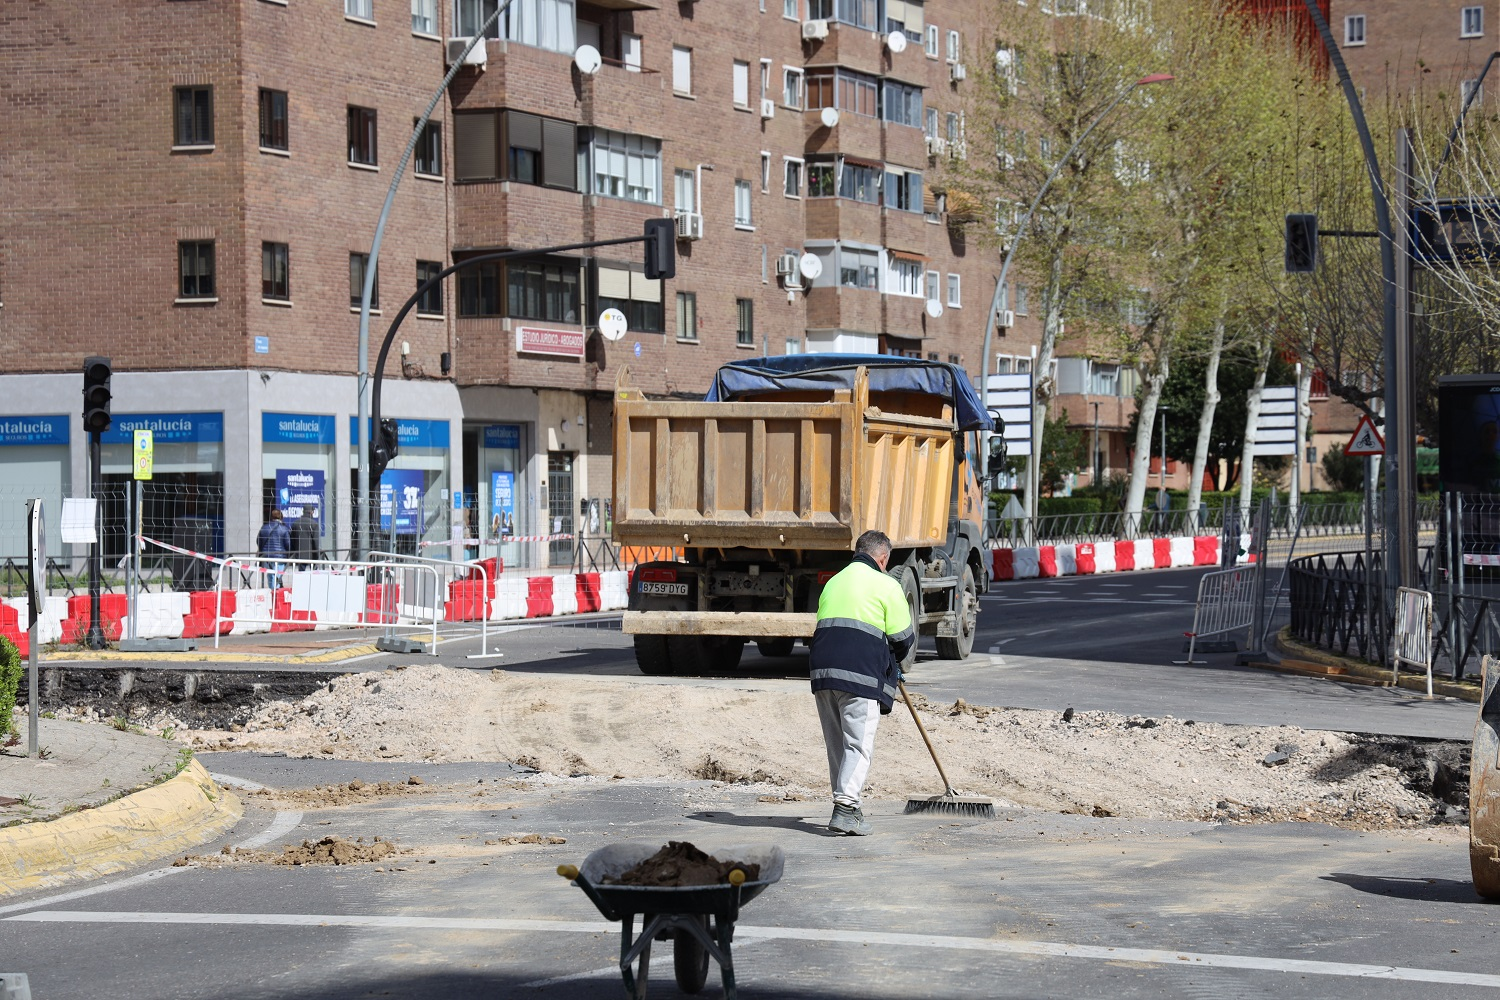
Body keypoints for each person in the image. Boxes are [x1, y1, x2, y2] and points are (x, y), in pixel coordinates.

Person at [809, 529, 914, 836]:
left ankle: (850, 808)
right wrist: (893, 663)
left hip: (822, 673)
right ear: (883, 558)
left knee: (838, 746)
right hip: (860, 675)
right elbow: (903, 639)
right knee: (858, 745)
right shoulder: (886, 583)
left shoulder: (834, 581)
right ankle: (844, 808)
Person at [256, 509, 291, 587]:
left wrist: (263, 550)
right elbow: (288, 544)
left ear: (271, 517)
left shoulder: (264, 527)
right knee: (277, 577)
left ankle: (272, 592)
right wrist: (288, 555)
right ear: (281, 517)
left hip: (267, 556)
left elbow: (258, 541)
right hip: (280, 557)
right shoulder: (284, 529)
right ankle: (275, 594)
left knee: (270, 576)